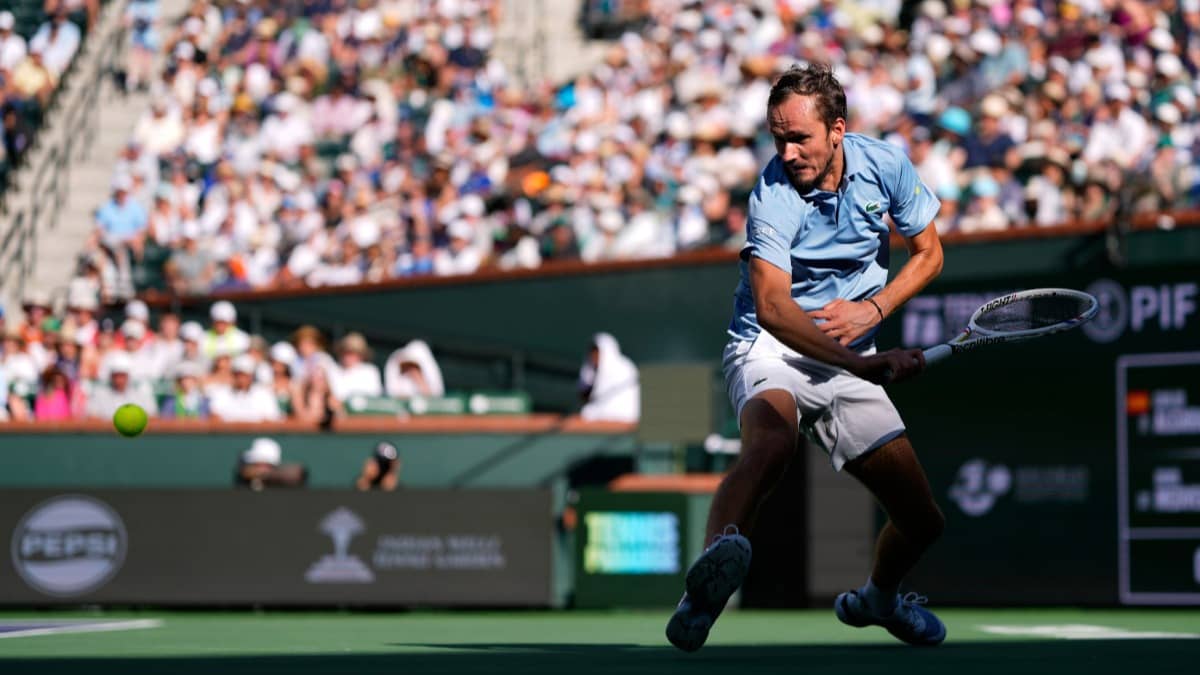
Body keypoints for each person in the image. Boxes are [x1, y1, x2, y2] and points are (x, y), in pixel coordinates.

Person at [666, 64, 946, 652]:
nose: (789, 152)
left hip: (851, 351)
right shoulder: (772, 193)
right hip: (768, 346)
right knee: (772, 442)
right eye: (778, 139)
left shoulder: (887, 166)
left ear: (837, 130)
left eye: (800, 138)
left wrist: (876, 310)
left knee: (922, 521)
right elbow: (771, 307)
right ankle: (704, 588)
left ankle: (878, 600)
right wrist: (862, 363)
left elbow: (929, 253)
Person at [577, 333, 640, 423]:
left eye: (597, 353)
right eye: (592, 353)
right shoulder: (591, 369)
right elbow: (583, 393)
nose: (594, 357)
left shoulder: (624, 368)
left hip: (625, 420)